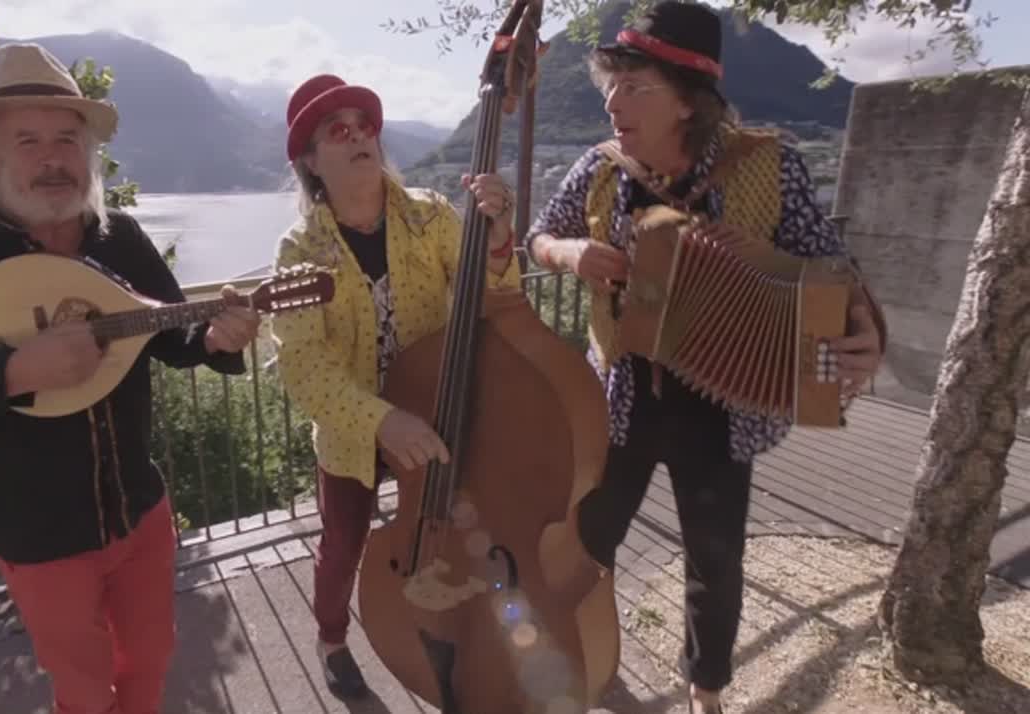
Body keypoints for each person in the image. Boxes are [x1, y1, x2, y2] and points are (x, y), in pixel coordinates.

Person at [0, 43, 261, 714]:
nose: (53, 158)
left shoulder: (118, 237)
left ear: (89, 153)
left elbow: (169, 332)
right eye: (28, 140)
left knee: (151, 658)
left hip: (138, 510)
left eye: (67, 140)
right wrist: (11, 370)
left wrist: (216, 339)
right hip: (37, 535)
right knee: (82, 686)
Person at [524, 3, 886, 713]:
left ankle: (706, 689)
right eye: (611, 84)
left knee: (715, 560)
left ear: (688, 102)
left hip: (726, 409)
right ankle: (587, 656)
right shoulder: (600, 169)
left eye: (636, 87)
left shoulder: (770, 166)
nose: (612, 103)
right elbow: (539, 236)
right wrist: (569, 253)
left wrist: (867, 329)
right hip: (621, 395)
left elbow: (832, 269)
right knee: (590, 543)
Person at [268, 74, 523, 698]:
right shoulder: (299, 249)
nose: (359, 136)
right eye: (338, 130)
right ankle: (332, 639)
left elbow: (495, 300)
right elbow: (303, 365)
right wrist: (381, 420)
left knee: (456, 525)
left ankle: (456, 624)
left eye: (365, 126)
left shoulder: (431, 215)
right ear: (311, 161)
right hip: (354, 430)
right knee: (343, 543)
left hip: (434, 410)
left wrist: (497, 247)